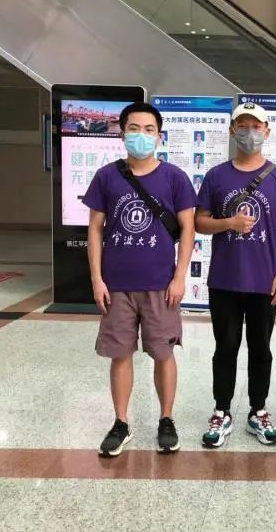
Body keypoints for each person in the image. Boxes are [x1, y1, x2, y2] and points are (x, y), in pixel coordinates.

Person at [83, 101, 196, 457]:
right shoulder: (107, 176)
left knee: (163, 353)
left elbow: (188, 229)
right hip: (116, 285)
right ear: (122, 133)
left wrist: (180, 277)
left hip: (161, 284)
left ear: (159, 136)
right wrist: (97, 278)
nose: (141, 136)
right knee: (120, 354)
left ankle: (166, 419)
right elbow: (95, 229)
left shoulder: (174, 177)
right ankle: (121, 423)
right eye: (134, 129)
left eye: (149, 130)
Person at [195, 102, 276, 448]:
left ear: (267, 131)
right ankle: (221, 410)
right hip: (224, 279)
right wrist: (230, 223)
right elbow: (200, 222)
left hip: (265, 280)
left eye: (255, 126)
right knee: (225, 347)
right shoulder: (216, 176)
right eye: (242, 125)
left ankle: (258, 410)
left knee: (261, 349)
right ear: (231, 130)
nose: (249, 132)